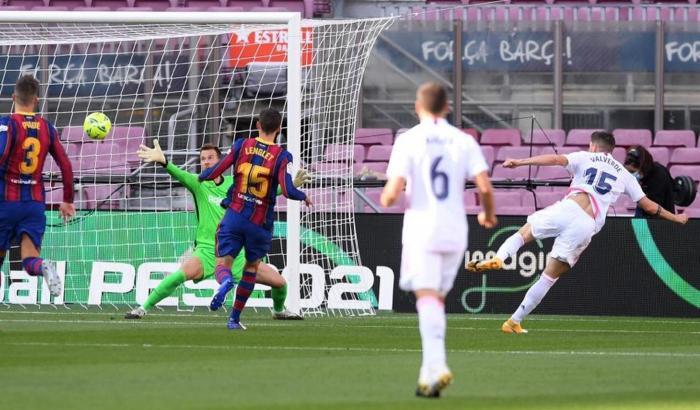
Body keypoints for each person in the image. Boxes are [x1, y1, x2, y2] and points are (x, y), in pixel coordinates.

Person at [467, 131, 688, 334]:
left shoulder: (585, 157)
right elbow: (649, 206)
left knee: (523, 234)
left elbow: (554, 159)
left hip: (568, 207)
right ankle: (513, 321)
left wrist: (520, 162)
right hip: (586, 223)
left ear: (593, 146)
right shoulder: (624, 174)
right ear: (612, 150)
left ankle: (499, 257)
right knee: (548, 277)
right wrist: (676, 217)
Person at [381, 82, 497, 398]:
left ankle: (439, 364)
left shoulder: (409, 140)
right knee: (436, 300)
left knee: (426, 298)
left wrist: (388, 198)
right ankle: (427, 377)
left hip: (422, 227)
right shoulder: (464, 140)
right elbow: (485, 188)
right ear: (447, 107)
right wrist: (488, 214)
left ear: (417, 107)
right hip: (455, 229)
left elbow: (392, 192)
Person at [126, 141, 310, 320]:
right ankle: (142, 309)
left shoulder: (236, 182)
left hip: (237, 254)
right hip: (207, 252)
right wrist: (164, 161)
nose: (206, 161)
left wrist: (290, 186)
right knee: (177, 276)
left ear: (220, 161)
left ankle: (278, 311)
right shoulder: (199, 183)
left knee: (280, 283)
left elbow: (263, 191)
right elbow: (180, 174)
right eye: (203, 159)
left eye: (210, 158)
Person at [199, 108, 311, 330]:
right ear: (279, 129)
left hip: (235, 215)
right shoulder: (281, 156)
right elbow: (287, 190)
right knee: (251, 268)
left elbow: (217, 170)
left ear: (258, 125)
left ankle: (226, 281)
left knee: (223, 263)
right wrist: (303, 195)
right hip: (260, 223)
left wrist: (202, 176)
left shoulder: (242, 145)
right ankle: (234, 319)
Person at [0, 74, 75, 296]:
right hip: (34, 204)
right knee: (30, 259)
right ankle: (43, 267)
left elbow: (1, 154)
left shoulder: (7, 124)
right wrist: (68, 200)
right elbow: (66, 165)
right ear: (36, 100)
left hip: (5, 202)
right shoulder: (47, 128)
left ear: (13, 97)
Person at [624, 145, 676, 217]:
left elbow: (651, 208)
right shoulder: (643, 176)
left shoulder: (659, 175)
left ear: (641, 167)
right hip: (645, 213)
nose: (631, 175)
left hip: (661, 219)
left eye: (632, 172)